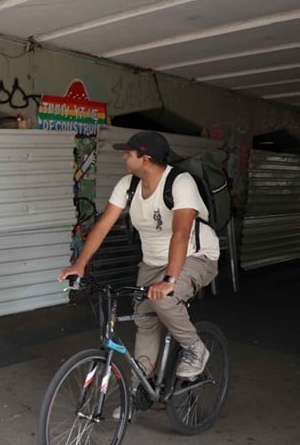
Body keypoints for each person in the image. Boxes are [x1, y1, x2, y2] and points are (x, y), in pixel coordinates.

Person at [58, 131, 220, 380]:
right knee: (144, 319)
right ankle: (139, 389)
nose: (124, 157)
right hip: (153, 261)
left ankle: (194, 348)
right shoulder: (128, 185)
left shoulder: (180, 182)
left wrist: (170, 281)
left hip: (194, 256)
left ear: (145, 158)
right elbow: (103, 226)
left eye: (128, 153)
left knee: (164, 301)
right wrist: (80, 264)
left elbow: (180, 233)